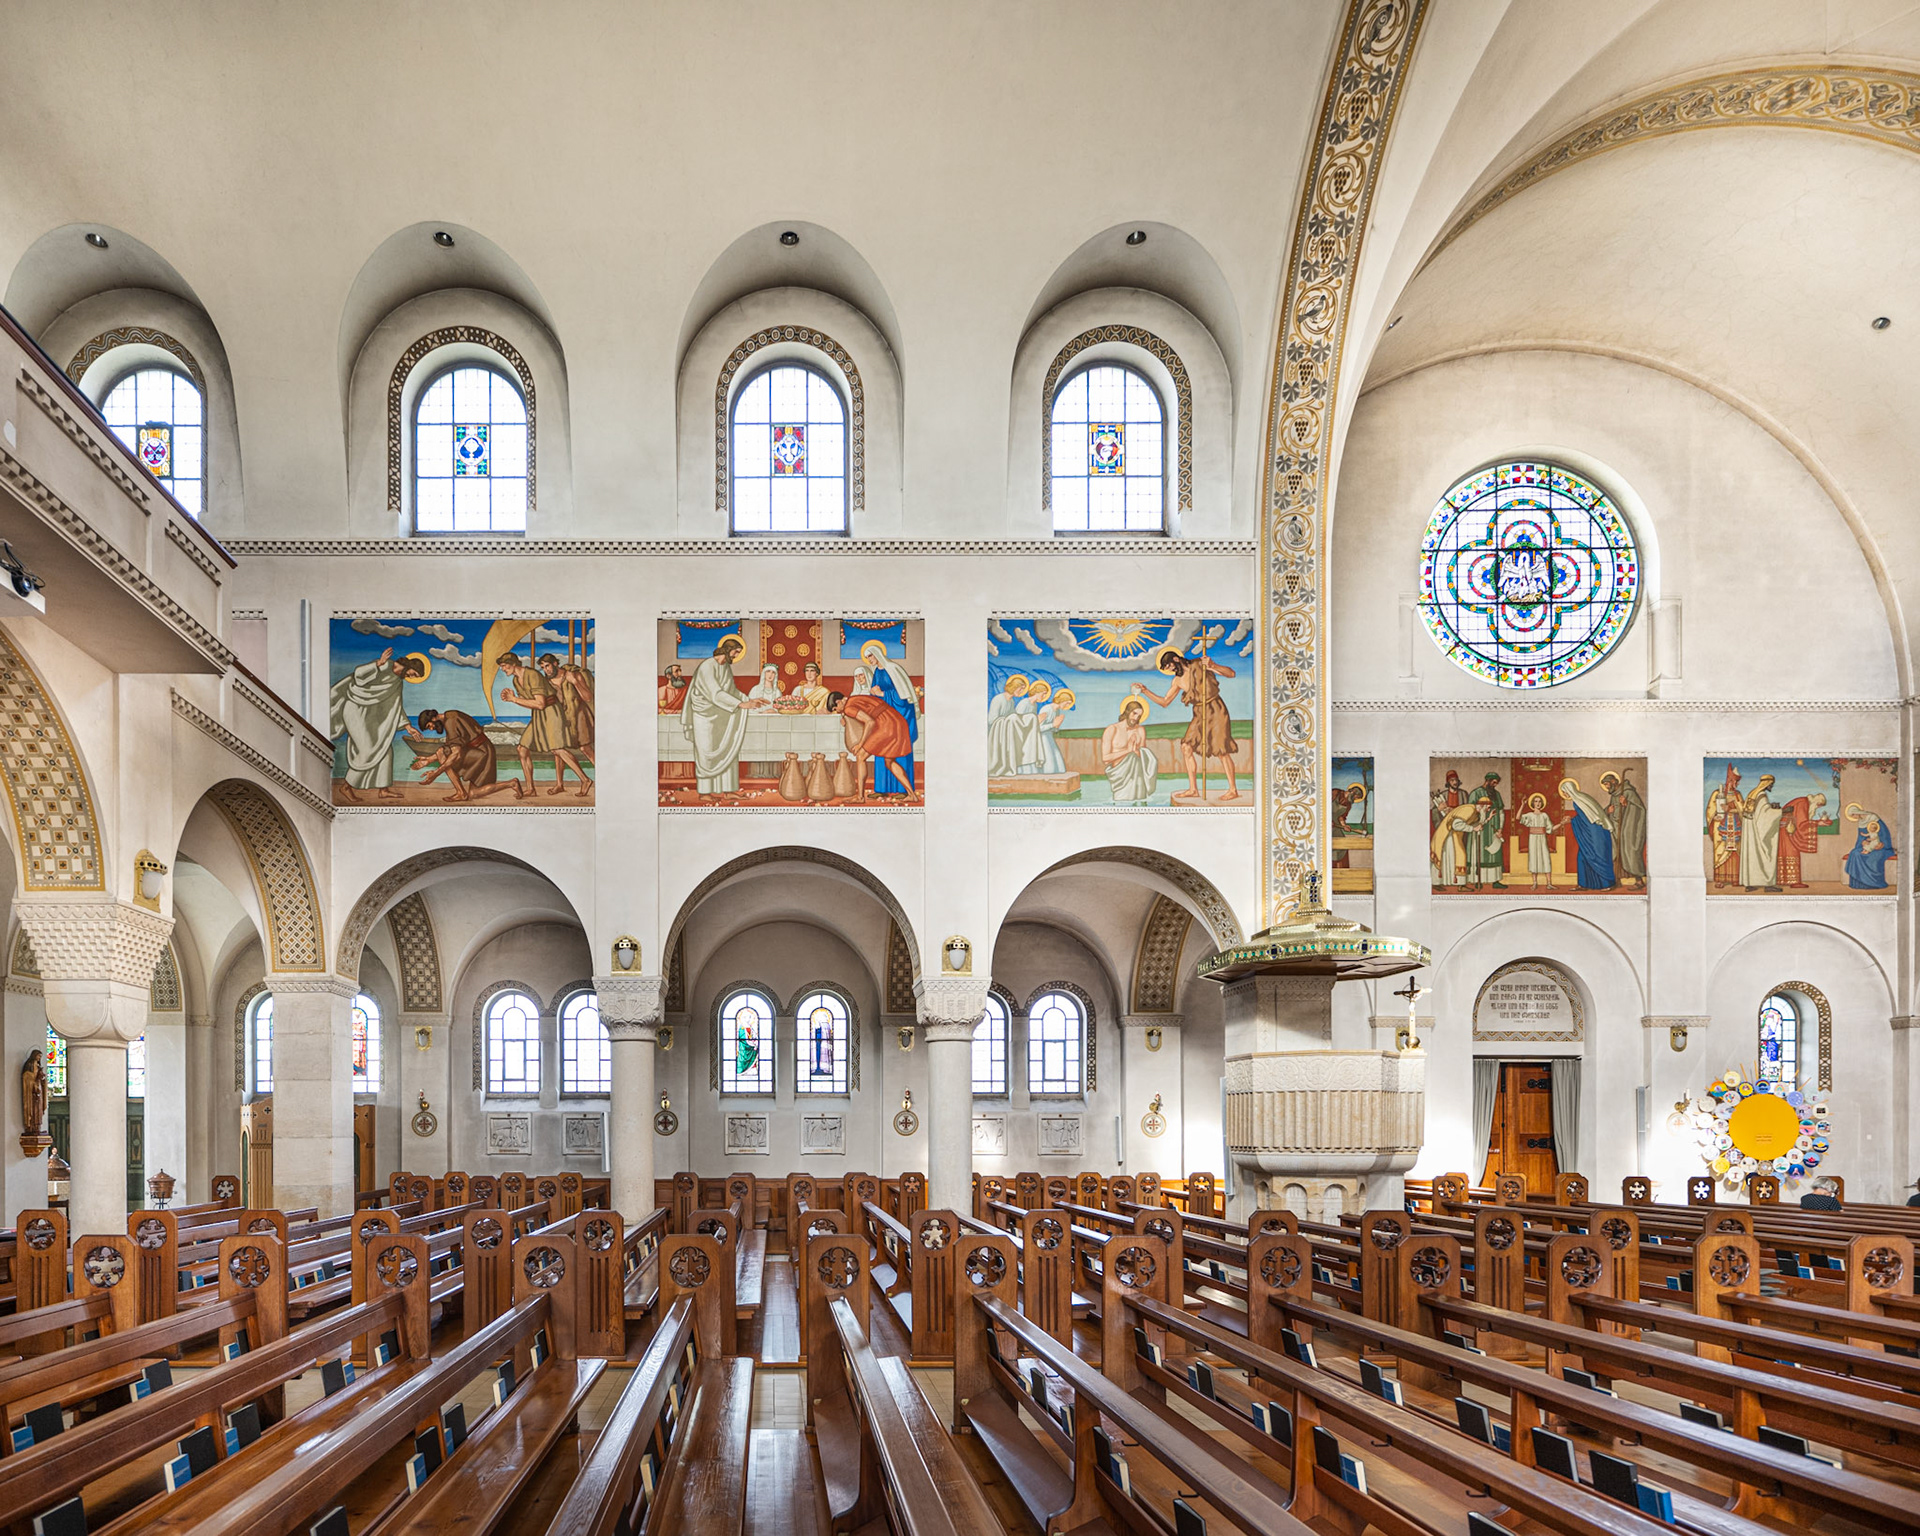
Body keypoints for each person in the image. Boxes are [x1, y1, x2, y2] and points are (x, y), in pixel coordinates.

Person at [1132, 646, 1239, 803]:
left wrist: (1213, 665)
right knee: (1186, 747)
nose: (1170, 670)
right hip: (1199, 712)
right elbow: (1165, 702)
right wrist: (1145, 691)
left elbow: (1231, 674)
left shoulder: (1200, 664)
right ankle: (1193, 789)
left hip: (1215, 708)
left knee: (1221, 749)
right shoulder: (1177, 681)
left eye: (1169, 666)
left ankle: (1233, 790)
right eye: (1166, 668)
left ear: (1176, 659)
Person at [329, 645, 427, 802]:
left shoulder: (398, 682)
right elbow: (358, 676)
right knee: (366, 750)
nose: (412, 677)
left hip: (371, 715)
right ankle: (346, 787)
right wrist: (377, 664)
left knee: (384, 748)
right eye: (413, 674)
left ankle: (383, 789)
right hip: (355, 710)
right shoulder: (385, 665)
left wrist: (408, 727)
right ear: (410, 666)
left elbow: (395, 706)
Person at [680, 634, 763, 798]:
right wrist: (741, 705)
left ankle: (729, 790)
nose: (736, 656)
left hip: (722, 716)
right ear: (727, 650)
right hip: (704, 717)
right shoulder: (706, 667)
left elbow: (731, 691)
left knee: (727, 749)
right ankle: (705, 792)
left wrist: (749, 700)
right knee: (706, 753)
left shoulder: (725, 667)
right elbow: (715, 694)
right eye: (735, 652)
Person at [499, 650, 591, 798]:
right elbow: (531, 703)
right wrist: (514, 698)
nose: (502, 669)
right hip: (538, 715)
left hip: (552, 712)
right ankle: (531, 789)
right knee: (522, 749)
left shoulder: (532, 675)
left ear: (513, 664)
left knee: (557, 749)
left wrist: (514, 699)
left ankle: (585, 779)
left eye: (504, 665)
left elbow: (541, 704)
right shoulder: (516, 680)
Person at [405, 707, 522, 801]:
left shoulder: (450, 722)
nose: (431, 729)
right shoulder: (450, 716)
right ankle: (511, 784)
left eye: (429, 726)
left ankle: (461, 793)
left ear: (433, 718)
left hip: (482, 753)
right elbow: (452, 748)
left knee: (442, 752)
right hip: (483, 750)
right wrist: (429, 760)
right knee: (474, 793)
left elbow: (455, 754)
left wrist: (435, 773)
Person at [827, 690, 913, 800]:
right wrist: (844, 716)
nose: (837, 712)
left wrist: (860, 744)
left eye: (835, 709)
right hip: (896, 721)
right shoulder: (853, 700)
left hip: (886, 725)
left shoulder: (848, 708)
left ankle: (860, 797)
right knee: (889, 762)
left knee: (860, 756)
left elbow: (870, 722)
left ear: (838, 702)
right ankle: (912, 795)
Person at [860, 639, 919, 795]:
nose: (869, 660)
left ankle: (903, 790)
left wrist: (882, 694)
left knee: (899, 751)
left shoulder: (893, 669)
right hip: (885, 718)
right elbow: (875, 694)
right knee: (881, 749)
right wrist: (874, 696)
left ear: (878, 654)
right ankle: (882, 789)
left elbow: (903, 698)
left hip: (900, 717)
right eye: (867, 658)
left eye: (870, 656)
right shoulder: (877, 672)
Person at [1558, 777, 1617, 890]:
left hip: (1596, 833)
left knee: (1599, 857)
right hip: (1590, 832)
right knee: (1582, 857)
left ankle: (1608, 884)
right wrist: (1573, 819)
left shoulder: (1578, 801)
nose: (1564, 794)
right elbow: (1587, 817)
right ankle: (1583, 884)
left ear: (1569, 790)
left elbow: (1588, 819)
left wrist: (1572, 820)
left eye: (1564, 791)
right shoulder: (1582, 798)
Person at [1101, 697, 1158, 803]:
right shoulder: (1112, 729)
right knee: (1121, 804)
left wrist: (1137, 752)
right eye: (1134, 713)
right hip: (1120, 776)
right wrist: (1128, 750)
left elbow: (1144, 758)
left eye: (1139, 716)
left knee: (1140, 804)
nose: (1136, 718)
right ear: (1127, 712)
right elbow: (1105, 759)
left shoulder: (1140, 730)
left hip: (1137, 777)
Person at [1602, 769, 1647, 888]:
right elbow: (1611, 809)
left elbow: (1640, 809)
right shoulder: (1614, 795)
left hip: (1627, 828)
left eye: (1607, 784)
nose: (1607, 787)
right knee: (1614, 854)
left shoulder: (1628, 792)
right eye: (1605, 785)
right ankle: (1616, 881)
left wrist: (1627, 804)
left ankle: (1639, 881)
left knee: (1629, 852)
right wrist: (1607, 811)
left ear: (1613, 781)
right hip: (1615, 829)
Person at [1739, 773, 1782, 891]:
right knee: (1766, 855)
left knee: (1752, 856)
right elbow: (1764, 816)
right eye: (1771, 784)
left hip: (1751, 831)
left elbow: (1758, 811)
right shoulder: (1762, 795)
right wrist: (1781, 811)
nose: (1772, 786)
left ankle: (1750, 884)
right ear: (1766, 783)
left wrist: (1770, 807)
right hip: (1757, 831)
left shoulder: (1753, 794)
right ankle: (1768, 884)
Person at [1776, 791, 1824, 890]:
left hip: (1786, 830)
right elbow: (1801, 824)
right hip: (1788, 831)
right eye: (1818, 805)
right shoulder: (1803, 803)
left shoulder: (1803, 802)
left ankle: (1783, 879)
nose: (1817, 808)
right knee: (1792, 853)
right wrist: (1817, 823)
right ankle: (1794, 882)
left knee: (1785, 853)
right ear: (1816, 802)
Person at [1707, 763, 1743, 889]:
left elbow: (1743, 810)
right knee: (1722, 851)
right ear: (1730, 780)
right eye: (1735, 781)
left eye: (1737, 782)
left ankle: (1735, 879)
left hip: (1736, 826)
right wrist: (1719, 814)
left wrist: (1731, 808)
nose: (1736, 784)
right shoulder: (1717, 793)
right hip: (1722, 827)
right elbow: (1710, 811)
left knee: (1735, 852)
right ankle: (1721, 879)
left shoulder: (1738, 795)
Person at [1845, 806, 1897, 889]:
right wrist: (1863, 842)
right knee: (1854, 853)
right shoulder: (1861, 822)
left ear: (1857, 812)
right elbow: (1861, 837)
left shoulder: (1873, 817)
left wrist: (1882, 844)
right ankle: (1859, 883)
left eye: (1853, 815)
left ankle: (1874, 883)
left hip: (1879, 846)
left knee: (1873, 857)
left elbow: (1884, 833)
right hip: (1869, 846)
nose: (1854, 818)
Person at [1469, 771, 1505, 889]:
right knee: (1479, 854)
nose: (1495, 785)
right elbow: (1471, 811)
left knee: (1495, 854)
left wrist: (1500, 828)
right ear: (1487, 781)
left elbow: (1501, 812)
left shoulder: (1497, 794)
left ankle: (1495, 880)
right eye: (1493, 782)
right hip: (1480, 829)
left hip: (1494, 829)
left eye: (1496, 783)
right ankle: (1477, 880)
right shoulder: (1476, 793)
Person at [1517, 791, 1554, 888]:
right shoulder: (1530, 815)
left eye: (1539, 801)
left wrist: (1561, 823)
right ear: (1533, 803)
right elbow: (1518, 817)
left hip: (1542, 839)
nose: (1538, 803)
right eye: (1536, 801)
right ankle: (1534, 883)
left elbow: (1550, 828)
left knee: (1546, 859)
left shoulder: (1544, 815)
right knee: (1534, 859)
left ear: (1542, 803)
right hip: (1533, 839)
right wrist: (1522, 805)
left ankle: (1549, 883)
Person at [1035, 687, 1074, 775]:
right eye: (1067, 703)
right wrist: (1053, 725)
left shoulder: (1056, 711)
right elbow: (1038, 728)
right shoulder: (1047, 709)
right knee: (1049, 759)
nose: (1067, 706)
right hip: (1042, 738)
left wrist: (1057, 726)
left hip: (1049, 736)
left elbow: (1053, 727)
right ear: (1062, 700)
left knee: (1057, 758)